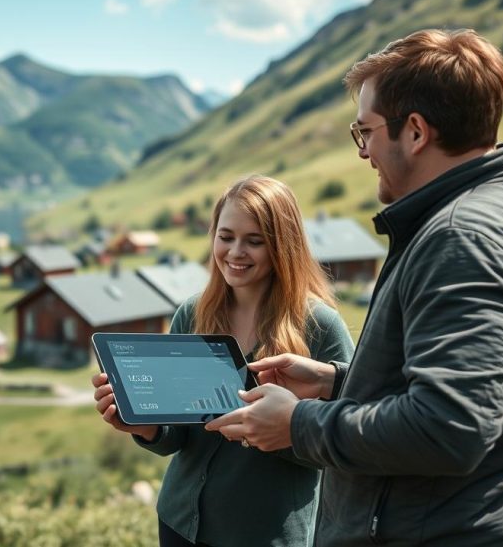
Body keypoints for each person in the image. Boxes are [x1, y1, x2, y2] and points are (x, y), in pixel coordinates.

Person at [206, 29, 503, 546]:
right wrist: (336, 383)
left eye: (366, 132)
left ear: (416, 132)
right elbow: (461, 387)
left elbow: (450, 427)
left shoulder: (463, 238)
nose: (364, 152)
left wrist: (301, 423)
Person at [92, 174, 354, 546]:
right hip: (181, 523)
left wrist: (273, 432)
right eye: (226, 236)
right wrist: (140, 424)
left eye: (254, 241)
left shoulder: (320, 326)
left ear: (284, 246)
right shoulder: (192, 314)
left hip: (265, 534)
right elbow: (176, 435)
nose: (235, 252)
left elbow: (344, 445)